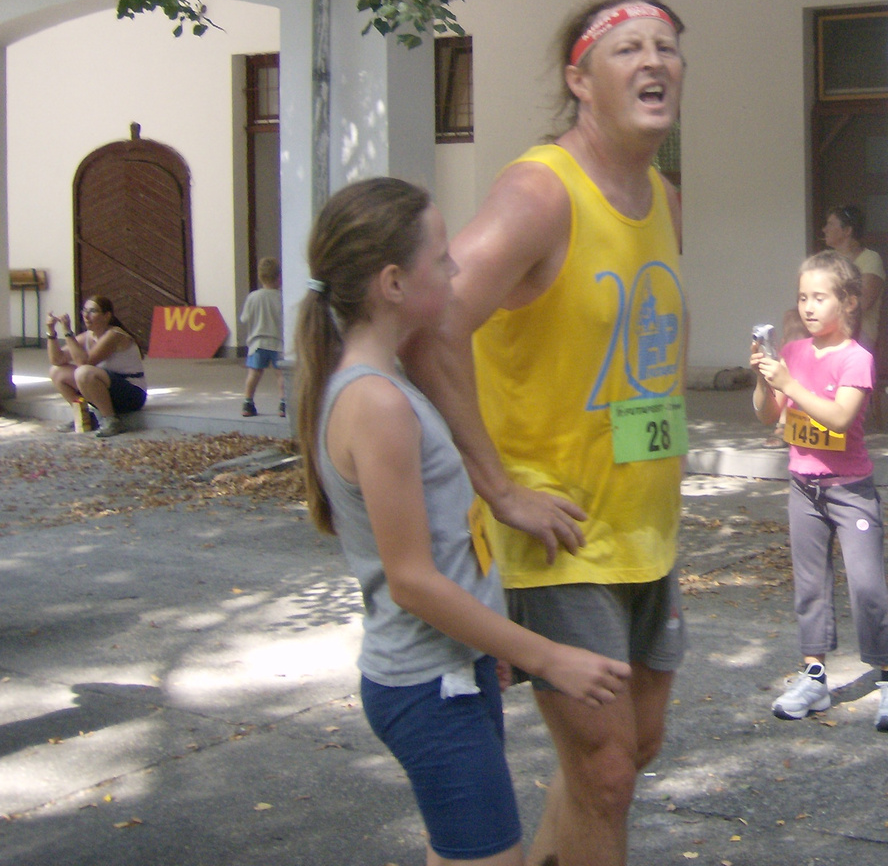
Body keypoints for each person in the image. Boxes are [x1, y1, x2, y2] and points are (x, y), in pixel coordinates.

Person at [402, 0, 688, 866]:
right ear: (581, 80)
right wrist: (498, 488)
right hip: (559, 532)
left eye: (666, 48)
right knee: (604, 772)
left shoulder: (664, 196)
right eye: (627, 49)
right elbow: (432, 321)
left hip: (645, 522)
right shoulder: (541, 191)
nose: (653, 62)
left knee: (630, 753)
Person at [295, 176, 631, 866]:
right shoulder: (377, 404)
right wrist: (548, 655)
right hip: (426, 688)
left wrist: (489, 645)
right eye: (441, 258)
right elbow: (413, 582)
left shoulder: (390, 389)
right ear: (392, 282)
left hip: (455, 670)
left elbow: (448, 547)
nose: (454, 271)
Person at [751, 250, 888, 731]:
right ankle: (814, 675)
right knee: (810, 585)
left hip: (850, 490)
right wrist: (764, 378)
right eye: (803, 297)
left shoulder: (857, 358)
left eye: (820, 297)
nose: (808, 307)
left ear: (847, 302)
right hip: (803, 487)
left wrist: (789, 385)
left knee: (867, 586)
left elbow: (840, 418)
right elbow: (767, 413)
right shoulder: (795, 355)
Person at [46, 295, 146, 438]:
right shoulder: (87, 336)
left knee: (84, 372)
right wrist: (51, 332)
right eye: (84, 311)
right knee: (57, 372)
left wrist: (68, 332)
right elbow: (57, 359)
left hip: (132, 394)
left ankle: (111, 420)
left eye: (93, 311)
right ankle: (83, 416)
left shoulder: (114, 335)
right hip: (107, 389)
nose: (86, 315)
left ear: (107, 316)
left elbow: (84, 362)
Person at [822, 204, 886, 351]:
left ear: (847, 231)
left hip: (860, 335)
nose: (824, 229)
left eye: (830, 224)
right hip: (829, 328)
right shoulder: (827, 261)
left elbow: (863, 303)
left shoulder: (870, 259)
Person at [239, 256, 285, 417]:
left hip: (257, 343)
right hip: (278, 343)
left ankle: (247, 402)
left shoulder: (253, 297)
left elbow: (244, 318)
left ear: (260, 277)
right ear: (279, 277)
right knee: (281, 374)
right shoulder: (281, 298)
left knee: (254, 373)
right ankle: (283, 404)